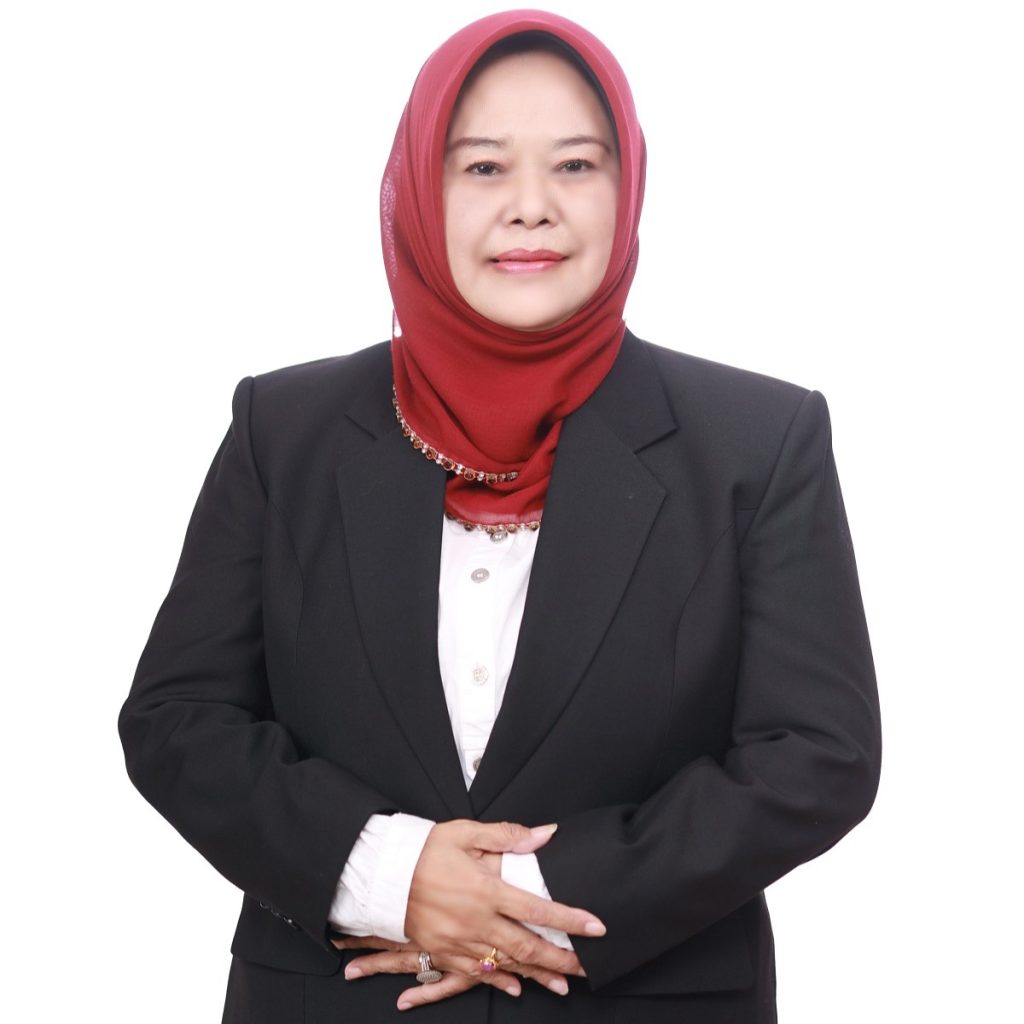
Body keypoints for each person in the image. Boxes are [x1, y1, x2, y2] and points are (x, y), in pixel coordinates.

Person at [119, 9, 882, 1023]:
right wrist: (387, 876)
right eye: (482, 167)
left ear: (628, 187)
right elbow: (178, 722)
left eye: (576, 166)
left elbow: (816, 756)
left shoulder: (757, 440)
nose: (531, 208)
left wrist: (520, 903)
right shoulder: (285, 428)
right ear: (417, 188)